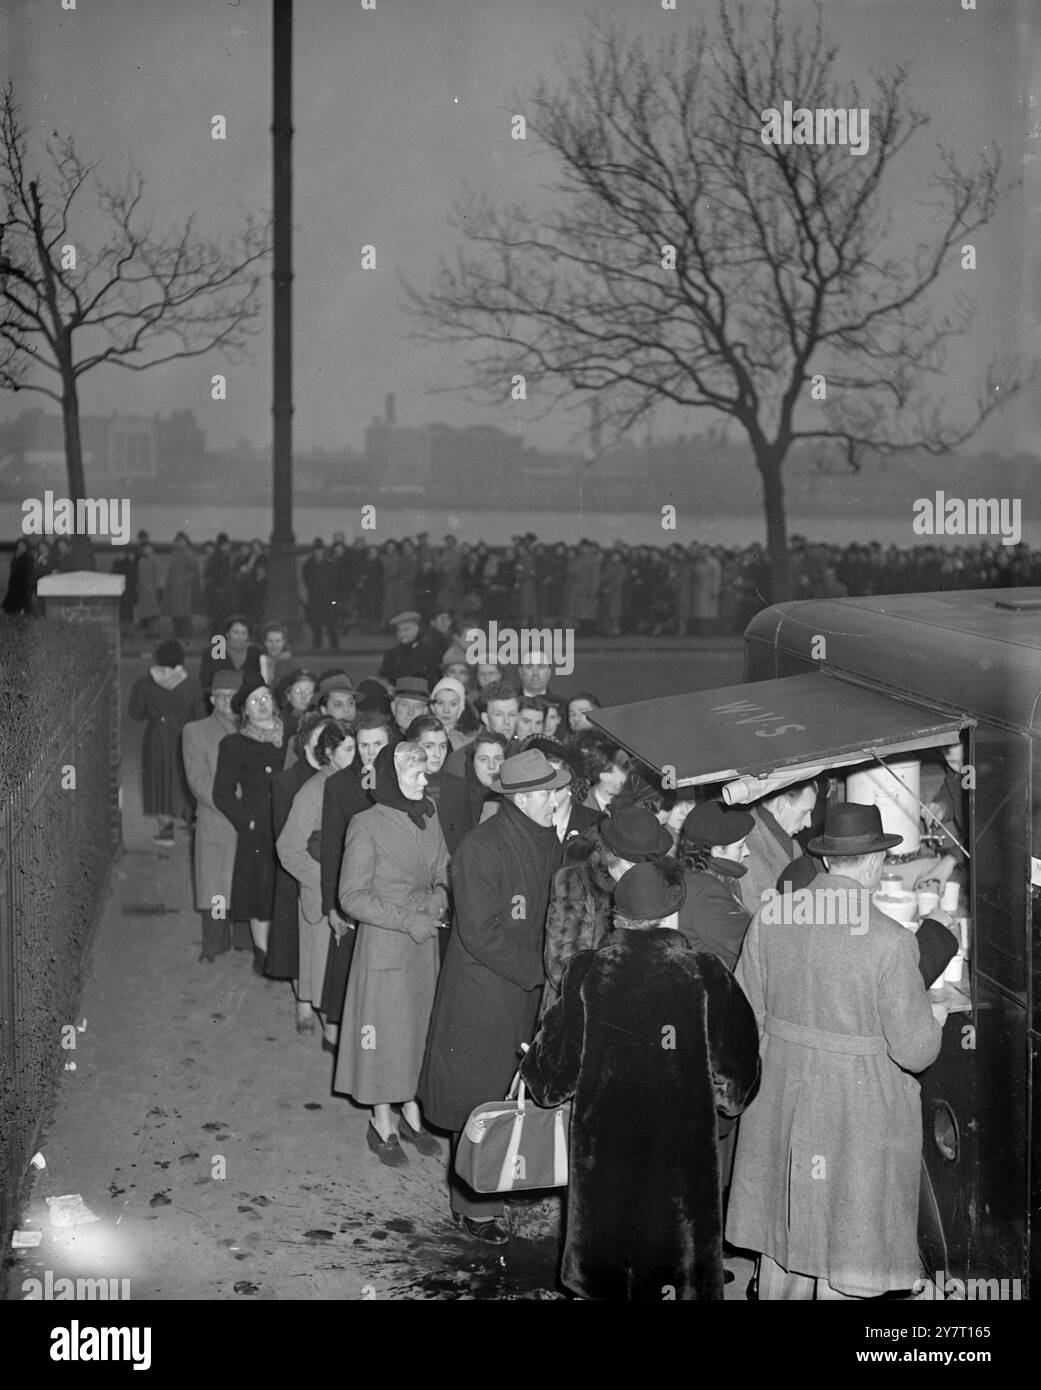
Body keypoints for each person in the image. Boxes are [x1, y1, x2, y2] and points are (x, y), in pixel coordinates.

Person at [726, 803, 946, 1299]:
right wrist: (935, 1018)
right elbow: (915, 1051)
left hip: (782, 1094)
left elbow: (743, 1013)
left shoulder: (771, 915)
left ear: (827, 861)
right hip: (856, 1111)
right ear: (872, 863)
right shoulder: (888, 941)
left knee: (789, 1228)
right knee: (848, 1234)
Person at [522, 858, 760, 1300]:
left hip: (605, 1170)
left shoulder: (586, 972)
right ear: (671, 915)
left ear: (619, 917)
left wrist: (536, 1059)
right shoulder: (707, 975)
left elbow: (549, 1081)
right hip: (680, 1175)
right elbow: (737, 1086)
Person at [419, 749, 569, 1243]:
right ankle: (474, 1207)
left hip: (526, 990)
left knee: (514, 1096)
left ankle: (506, 1183)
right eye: (551, 793)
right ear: (526, 797)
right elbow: (481, 933)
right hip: (484, 997)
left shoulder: (546, 840)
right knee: (478, 1101)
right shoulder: (480, 849)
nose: (558, 800)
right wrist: (540, 972)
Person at [334, 743, 449, 1167]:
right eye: (416, 774)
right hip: (387, 943)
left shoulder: (428, 813)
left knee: (417, 1030)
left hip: (423, 944)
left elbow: (442, 866)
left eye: (425, 772)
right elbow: (351, 897)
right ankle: (381, 1119)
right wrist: (408, 919)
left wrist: (440, 894)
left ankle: (411, 1110)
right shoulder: (365, 824)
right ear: (390, 778)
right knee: (384, 1035)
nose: (425, 780)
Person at [543, 804, 673, 1004]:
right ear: (610, 856)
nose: (638, 872)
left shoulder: (651, 884)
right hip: (583, 1008)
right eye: (631, 864)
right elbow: (562, 965)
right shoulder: (576, 881)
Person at [277, 720, 356, 1045]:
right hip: (320, 893)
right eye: (350, 750)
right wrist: (325, 884)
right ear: (328, 753)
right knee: (319, 964)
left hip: (349, 890)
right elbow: (288, 849)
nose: (359, 756)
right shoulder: (312, 791)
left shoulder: (355, 784)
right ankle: (320, 1019)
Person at [212, 679, 285, 976]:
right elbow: (223, 793)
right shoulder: (235, 745)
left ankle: (285, 951)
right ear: (244, 711)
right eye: (254, 701)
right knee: (260, 889)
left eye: (266, 697)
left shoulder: (291, 736)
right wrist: (248, 821)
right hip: (258, 828)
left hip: (288, 823)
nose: (263, 704)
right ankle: (263, 952)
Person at [266, 714, 335, 1000]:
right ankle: (302, 1001)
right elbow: (287, 837)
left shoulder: (337, 777)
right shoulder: (288, 781)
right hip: (295, 871)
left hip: (320, 870)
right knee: (296, 942)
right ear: (306, 743)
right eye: (319, 739)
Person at [181, 670, 248, 961]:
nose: (225, 702)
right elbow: (198, 780)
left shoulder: (255, 728)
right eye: (220, 696)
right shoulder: (196, 731)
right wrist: (233, 805)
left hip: (250, 820)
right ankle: (215, 943)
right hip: (217, 818)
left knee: (247, 882)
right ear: (211, 699)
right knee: (217, 885)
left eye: (232, 697)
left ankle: (247, 941)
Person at [128, 638, 206, 846]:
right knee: (185, 775)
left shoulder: (145, 683)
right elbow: (200, 714)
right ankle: (191, 820)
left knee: (159, 778)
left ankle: (166, 828)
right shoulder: (191, 683)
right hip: (184, 735)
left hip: (157, 736)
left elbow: (135, 713)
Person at [676, 801, 755, 972]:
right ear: (717, 850)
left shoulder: (697, 875)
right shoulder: (707, 893)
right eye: (741, 846)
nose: (747, 851)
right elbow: (752, 944)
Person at [737, 781, 818, 917]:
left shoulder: (792, 845)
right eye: (804, 812)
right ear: (782, 805)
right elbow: (761, 921)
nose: (808, 823)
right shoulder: (747, 851)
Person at [437, 729, 509, 853]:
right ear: (472, 762)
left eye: (498, 759)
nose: (492, 766)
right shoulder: (456, 798)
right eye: (483, 759)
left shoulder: (514, 798)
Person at [198, 614, 262, 696]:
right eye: (236, 633)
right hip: (219, 700)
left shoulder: (255, 653)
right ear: (227, 633)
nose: (240, 637)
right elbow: (206, 684)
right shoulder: (213, 652)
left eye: (244, 633)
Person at [379, 611, 442, 689]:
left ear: (416, 630)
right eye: (399, 631)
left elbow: (433, 681)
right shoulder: (391, 654)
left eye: (406, 630)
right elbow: (383, 678)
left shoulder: (429, 653)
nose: (402, 634)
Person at [162, 532, 201, 641]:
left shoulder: (190, 554)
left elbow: (194, 571)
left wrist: (184, 580)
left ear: (186, 542)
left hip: (185, 590)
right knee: (175, 613)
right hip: (174, 590)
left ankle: (187, 635)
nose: (180, 543)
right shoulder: (174, 555)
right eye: (178, 541)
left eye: (182, 541)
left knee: (185, 613)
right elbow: (170, 573)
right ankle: (177, 634)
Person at [276, 668, 318, 761]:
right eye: (298, 691)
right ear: (288, 695)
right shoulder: (279, 722)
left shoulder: (319, 720)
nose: (304, 696)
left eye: (308, 692)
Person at [430, 676, 476, 750]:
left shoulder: (472, 740)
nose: (446, 710)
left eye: (453, 704)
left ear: (461, 708)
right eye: (440, 703)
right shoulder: (421, 735)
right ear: (432, 707)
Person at [2, 537, 36, 616]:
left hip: (23, 584)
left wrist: (27, 584)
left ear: (26, 546)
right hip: (13, 583)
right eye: (19, 545)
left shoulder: (29, 558)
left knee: (22, 602)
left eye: (23, 545)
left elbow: (29, 573)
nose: (20, 547)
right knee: (10, 605)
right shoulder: (16, 556)